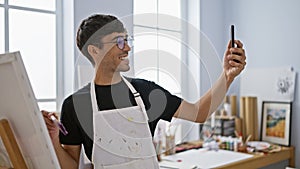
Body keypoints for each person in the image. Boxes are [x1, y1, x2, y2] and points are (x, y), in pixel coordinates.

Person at [42, 14, 246, 169]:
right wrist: (52, 139)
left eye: (127, 40)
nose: (127, 48)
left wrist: (227, 76)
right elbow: (70, 164)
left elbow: (199, 112)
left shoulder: (146, 91)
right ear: (94, 50)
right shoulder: (75, 105)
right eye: (118, 42)